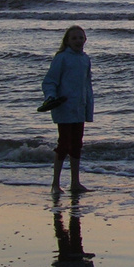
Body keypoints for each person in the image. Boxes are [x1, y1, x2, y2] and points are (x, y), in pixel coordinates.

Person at [42, 25, 94, 194]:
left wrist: (88, 107)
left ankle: (75, 182)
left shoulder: (85, 59)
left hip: (79, 107)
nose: (78, 41)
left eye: (81, 37)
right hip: (63, 106)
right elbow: (50, 81)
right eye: (74, 38)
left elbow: (87, 85)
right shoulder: (62, 58)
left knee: (77, 145)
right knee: (64, 144)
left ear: (85, 40)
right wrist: (50, 97)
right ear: (67, 41)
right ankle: (55, 184)